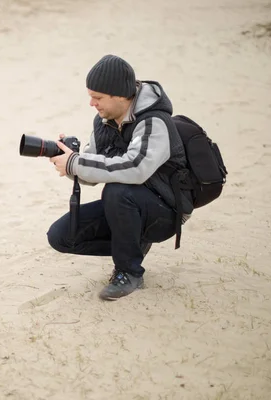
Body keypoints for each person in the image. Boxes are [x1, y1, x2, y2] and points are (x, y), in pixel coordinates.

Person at [46, 54, 193, 300]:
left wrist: (77, 163)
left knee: (117, 190)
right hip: (129, 206)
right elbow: (90, 177)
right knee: (61, 236)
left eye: (98, 97)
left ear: (120, 95)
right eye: (90, 96)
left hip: (166, 210)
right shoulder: (103, 122)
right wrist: (69, 160)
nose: (92, 103)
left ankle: (129, 271)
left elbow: (136, 168)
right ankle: (132, 244)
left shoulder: (154, 121)